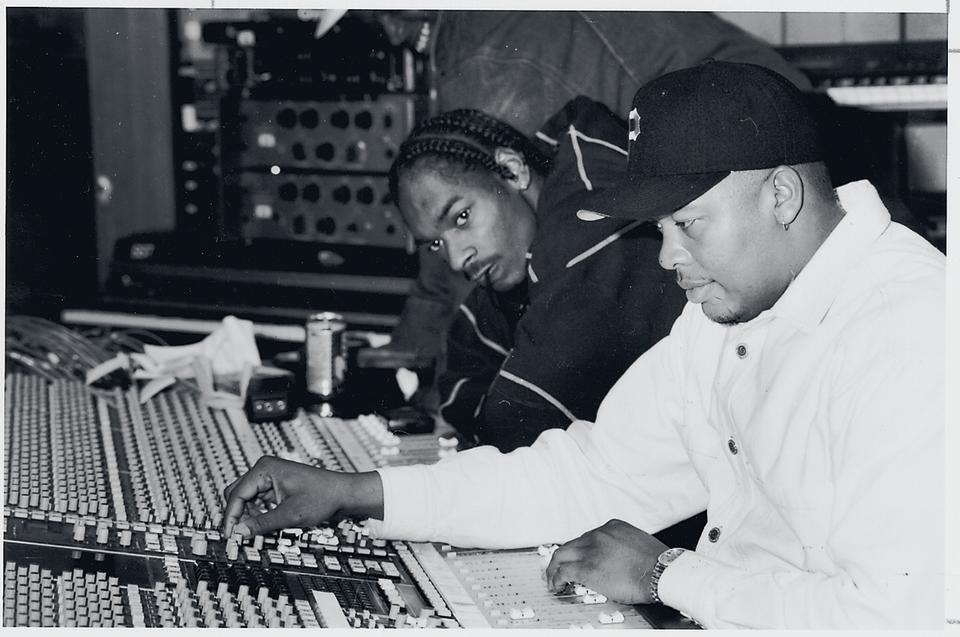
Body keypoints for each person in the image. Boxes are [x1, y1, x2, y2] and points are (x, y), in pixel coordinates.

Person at [222, 61, 944, 629]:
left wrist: (667, 574)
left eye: (685, 224)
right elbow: (586, 474)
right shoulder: (721, 319)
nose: (665, 258)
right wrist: (355, 494)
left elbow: (895, 617)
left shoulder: (912, 330)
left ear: (781, 196)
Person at [355, 10, 812, 370]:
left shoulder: (487, 57)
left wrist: (427, 342)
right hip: (781, 129)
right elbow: (463, 208)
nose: (390, 33)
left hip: (773, 155)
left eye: (377, 17)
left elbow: (479, 213)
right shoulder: (470, 33)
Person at [388, 99, 686, 452]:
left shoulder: (587, 232)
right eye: (436, 242)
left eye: (462, 217)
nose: (456, 258)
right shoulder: (525, 240)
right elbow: (467, 357)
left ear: (512, 170)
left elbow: (519, 419)